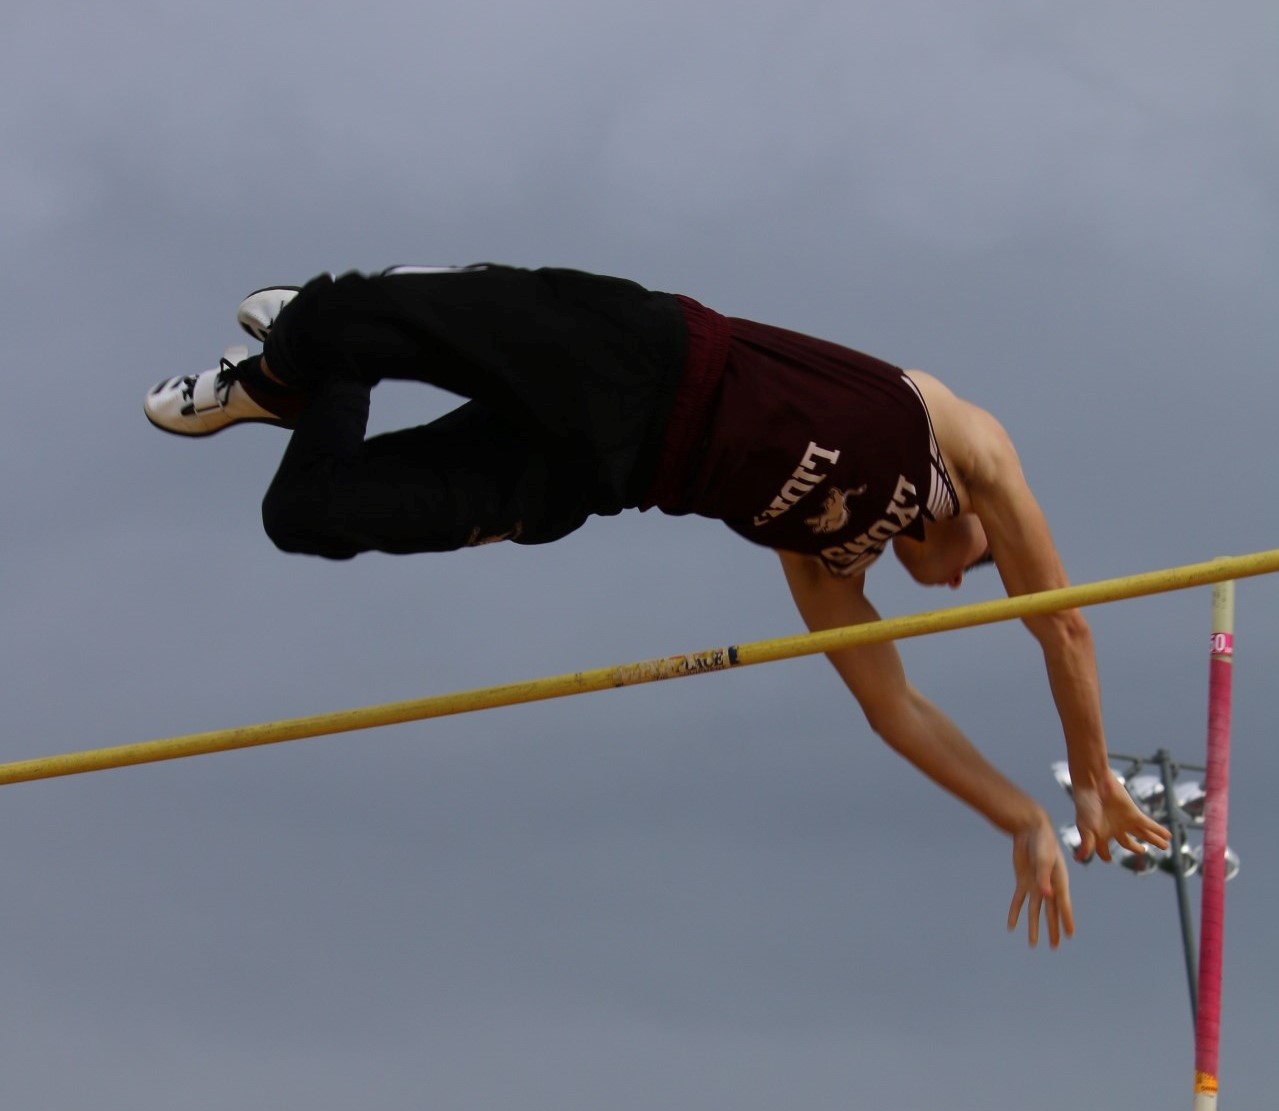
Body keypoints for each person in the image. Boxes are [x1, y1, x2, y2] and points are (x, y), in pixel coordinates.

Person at [145, 262, 1169, 946]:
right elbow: (1063, 621)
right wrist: (1088, 778)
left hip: (601, 472)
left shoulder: (822, 567)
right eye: (982, 568)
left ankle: (302, 380)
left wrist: (1022, 816)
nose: (960, 582)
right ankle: (299, 353)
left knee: (308, 511)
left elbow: (894, 709)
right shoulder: (966, 443)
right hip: (643, 356)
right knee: (340, 316)